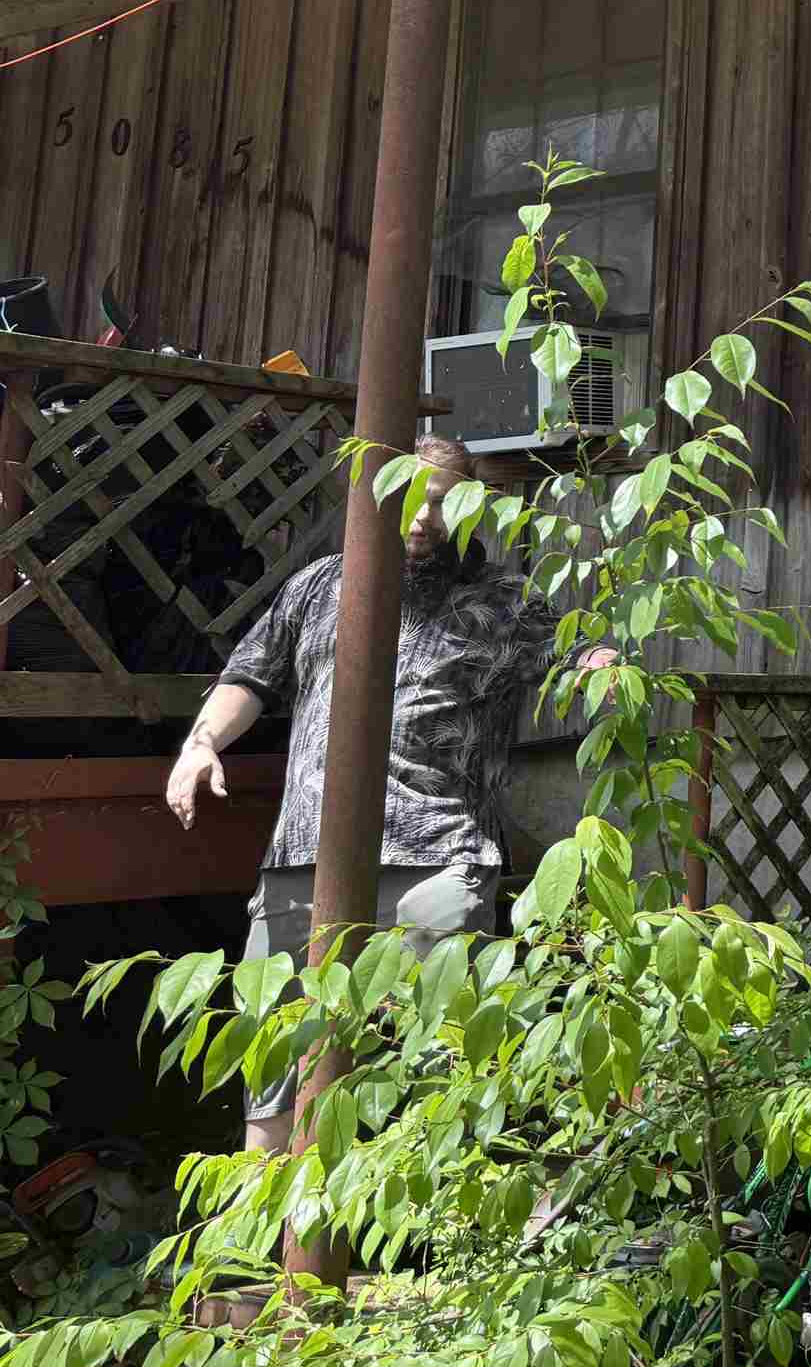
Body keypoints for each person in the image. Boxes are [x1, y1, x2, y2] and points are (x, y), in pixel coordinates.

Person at [164, 434, 599, 1153]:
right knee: (275, 1051)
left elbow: (581, 652)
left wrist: (604, 660)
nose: (422, 519)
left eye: (441, 502)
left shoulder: (504, 603)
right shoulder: (317, 586)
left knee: (444, 1062)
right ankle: (263, 1250)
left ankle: (435, 1251)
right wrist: (202, 742)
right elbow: (250, 674)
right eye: (407, 501)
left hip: (437, 856)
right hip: (307, 858)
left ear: (470, 509)